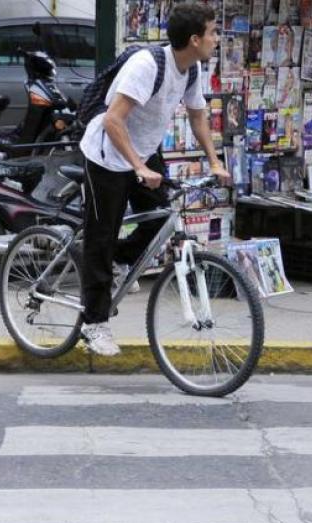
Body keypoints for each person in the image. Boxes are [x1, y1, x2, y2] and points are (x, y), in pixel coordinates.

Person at [77, 2, 230, 357]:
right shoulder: (147, 66)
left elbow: (197, 117)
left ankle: (117, 261)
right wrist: (138, 168)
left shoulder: (190, 70)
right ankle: (94, 323)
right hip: (107, 155)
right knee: (101, 236)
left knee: (160, 220)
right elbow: (113, 120)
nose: (217, 39)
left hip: (142, 152)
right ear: (195, 39)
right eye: (213, 32)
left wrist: (214, 160)